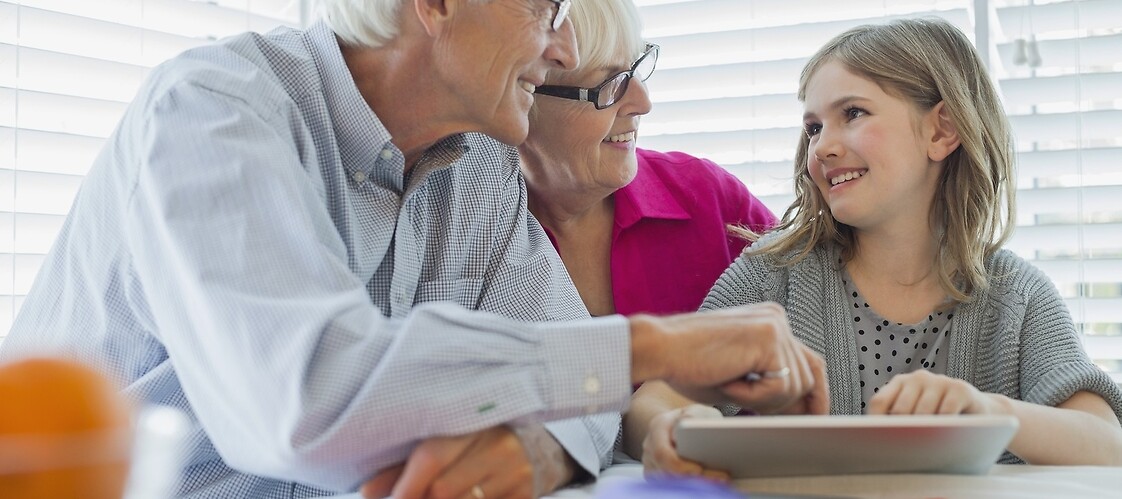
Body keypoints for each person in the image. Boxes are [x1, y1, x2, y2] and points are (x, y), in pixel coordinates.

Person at [0, 0, 828, 497]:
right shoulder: (215, 110)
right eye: (543, 4)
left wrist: (529, 448)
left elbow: (584, 396)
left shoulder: (481, 169)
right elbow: (309, 399)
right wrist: (655, 342)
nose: (562, 47)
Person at [644, 17, 1122, 476]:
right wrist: (678, 427)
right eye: (813, 128)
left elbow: (1107, 445)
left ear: (941, 131)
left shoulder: (1017, 297)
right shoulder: (775, 274)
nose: (822, 147)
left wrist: (986, 411)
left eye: (853, 113)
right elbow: (655, 400)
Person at [516, 0, 788, 475]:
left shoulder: (707, 196)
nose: (642, 101)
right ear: (524, 99)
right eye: (610, 83)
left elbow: (826, 304)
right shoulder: (473, 234)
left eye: (638, 69)